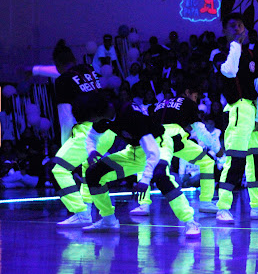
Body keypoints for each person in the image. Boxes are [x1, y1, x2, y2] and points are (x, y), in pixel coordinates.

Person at [81, 94, 201, 237]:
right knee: (93, 173)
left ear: (101, 112)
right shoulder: (104, 115)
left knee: (161, 177)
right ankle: (108, 220)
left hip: (158, 143)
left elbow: (153, 152)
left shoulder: (131, 116)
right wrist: (91, 151)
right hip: (134, 151)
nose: (90, 120)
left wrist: (144, 180)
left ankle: (190, 221)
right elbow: (91, 136)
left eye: (91, 117)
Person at [215, 12, 258, 223]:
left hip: (253, 111)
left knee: (256, 159)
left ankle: (257, 205)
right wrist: (235, 45)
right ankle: (223, 206)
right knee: (236, 159)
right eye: (233, 26)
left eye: (240, 26)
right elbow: (230, 71)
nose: (237, 29)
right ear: (224, 30)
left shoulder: (252, 55)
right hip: (237, 110)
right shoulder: (223, 53)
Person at [47, 44, 116, 228]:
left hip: (87, 132)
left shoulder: (62, 81)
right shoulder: (89, 70)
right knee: (89, 170)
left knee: (59, 170)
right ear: (74, 60)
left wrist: (64, 145)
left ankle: (80, 212)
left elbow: (66, 118)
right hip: (107, 130)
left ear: (58, 65)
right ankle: (88, 209)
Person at [129, 83, 222, 215]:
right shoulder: (188, 103)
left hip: (159, 138)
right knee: (207, 162)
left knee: (144, 165)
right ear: (187, 92)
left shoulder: (161, 103)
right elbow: (201, 131)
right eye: (195, 96)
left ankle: (143, 205)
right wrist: (216, 148)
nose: (195, 100)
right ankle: (204, 202)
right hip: (173, 138)